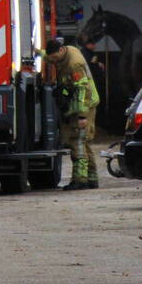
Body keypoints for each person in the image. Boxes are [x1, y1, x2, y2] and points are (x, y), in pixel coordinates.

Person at [46, 38, 101, 190]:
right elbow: (49, 56)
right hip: (82, 103)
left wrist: (82, 116)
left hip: (84, 105)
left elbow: (82, 90)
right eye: (52, 59)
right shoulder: (67, 52)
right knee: (85, 141)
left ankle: (80, 180)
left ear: (61, 50)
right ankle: (92, 178)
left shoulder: (74, 64)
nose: (54, 62)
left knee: (78, 140)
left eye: (55, 58)